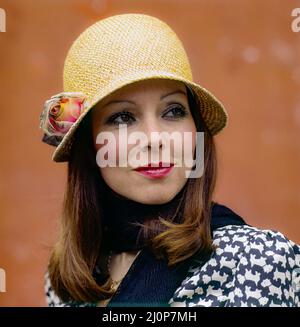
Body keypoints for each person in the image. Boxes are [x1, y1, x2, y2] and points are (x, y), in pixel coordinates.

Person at [40, 13, 300, 307]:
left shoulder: (257, 261)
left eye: (173, 111)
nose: (155, 138)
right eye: (123, 117)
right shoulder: (68, 279)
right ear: (90, 147)